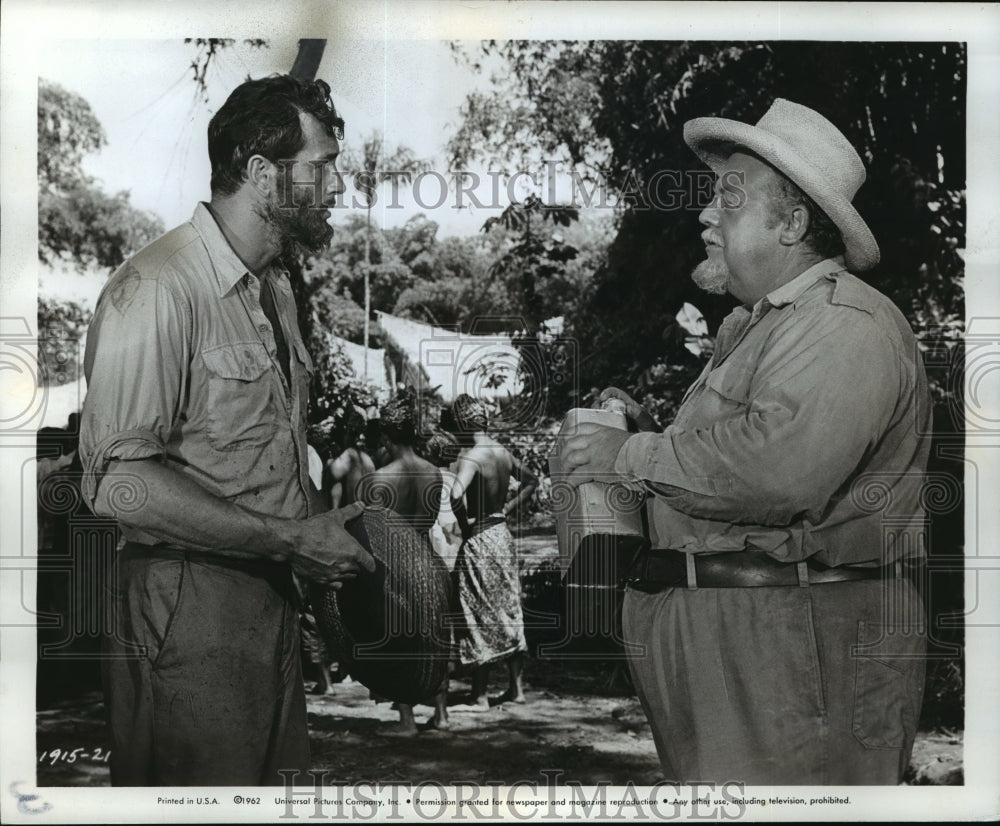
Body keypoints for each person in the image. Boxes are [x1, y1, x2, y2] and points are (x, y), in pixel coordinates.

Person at [560, 98, 930, 785]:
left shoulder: (845, 324)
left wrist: (632, 456)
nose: (705, 215)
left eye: (729, 199)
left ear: (792, 224)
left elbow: (778, 470)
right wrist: (647, 435)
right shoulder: (766, 326)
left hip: (791, 654)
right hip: (755, 652)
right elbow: (732, 462)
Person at [78, 74, 376, 786]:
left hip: (267, 604)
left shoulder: (274, 289)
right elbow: (116, 484)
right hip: (186, 604)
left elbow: (263, 456)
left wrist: (326, 529)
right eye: (323, 167)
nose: (337, 189)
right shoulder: (155, 287)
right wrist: (285, 537)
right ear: (261, 172)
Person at [355, 391, 452, 734]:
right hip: (429, 557)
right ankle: (441, 715)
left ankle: (407, 719)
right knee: (434, 636)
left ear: (386, 435)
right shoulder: (433, 473)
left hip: (396, 565)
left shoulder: (378, 481)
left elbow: (368, 532)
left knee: (399, 638)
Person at [447, 394, 538, 709]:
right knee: (509, 608)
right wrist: (506, 509)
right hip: (502, 535)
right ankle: (517, 689)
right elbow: (531, 481)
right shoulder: (501, 452)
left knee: (477, 611)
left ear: (462, 424)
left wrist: (464, 522)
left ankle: (481, 693)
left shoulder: (471, 456)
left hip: (481, 538)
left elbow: (455, 495)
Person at [325, 407, 376, 508]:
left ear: (345, 428)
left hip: (348, 519)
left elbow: (329, 477)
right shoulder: (368, 460)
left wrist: (329, 462)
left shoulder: (348, 456)